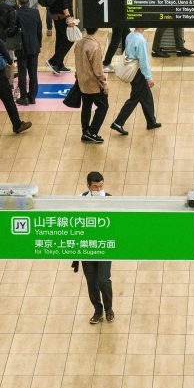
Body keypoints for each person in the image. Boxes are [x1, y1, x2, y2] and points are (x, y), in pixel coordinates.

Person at [73, 172, 114, 324]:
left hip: (104, 246)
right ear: (88, 186)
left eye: (101, 186)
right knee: (91, 281)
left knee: (103, 280)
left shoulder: (110, 200)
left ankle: (109, 308)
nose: (99, 189)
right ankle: (98, 310)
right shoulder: (81, 199)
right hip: (87, 246)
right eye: (95, 187)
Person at [110, 27, 161, 134]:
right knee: (134, 98)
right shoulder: (141, 40)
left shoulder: (130, 35)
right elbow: (143, 61)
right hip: (138, 72)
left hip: (132, 70)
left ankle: (151, 121)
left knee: (147, 96)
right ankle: (118, 122)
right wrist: (148, 77)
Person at [74, 27, 109, 143]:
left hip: (82, 82)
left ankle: (85, 132)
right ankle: (92, 132)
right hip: (93, 83)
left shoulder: (79, 43)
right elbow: (98, 69)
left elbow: (78, 62)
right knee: (103, 106)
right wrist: (104, 83)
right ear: (97, 29)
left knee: (86, 106)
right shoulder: (94, 46)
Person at [46, 0, 79, 74]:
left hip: (57, 14)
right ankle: (54, 61)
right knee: (70, 39)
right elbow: (63, 0)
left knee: (61, 39)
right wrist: (69, 17)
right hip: (62, 16)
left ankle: (59, 64)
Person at [103, 0, 132, 72]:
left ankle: (126, 60)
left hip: (123, 10)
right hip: (116, 11)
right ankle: (106, 63)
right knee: (117, 37)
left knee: (127, 35)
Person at [13, 0, 43, 106]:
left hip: (22, 48)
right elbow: (39, 30)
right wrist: (39, 44)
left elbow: (12, 30)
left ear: (18, 1)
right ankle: (32, 97)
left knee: (22, 73)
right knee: (33, 73)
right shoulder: (35, 12)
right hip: (34, 47)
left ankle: (24, 97)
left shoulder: (16, 13)